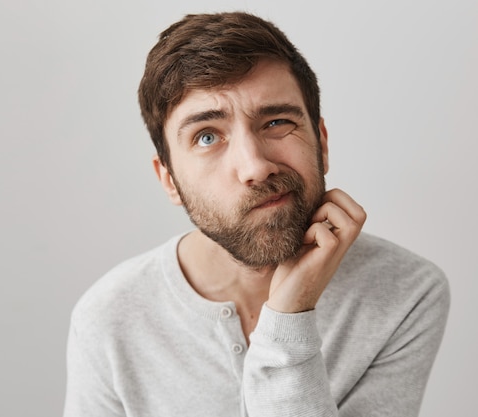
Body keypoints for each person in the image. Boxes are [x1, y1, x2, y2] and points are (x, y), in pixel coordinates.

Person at [63, 11, 450, 417]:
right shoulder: (109, 318)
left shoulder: (405, 292)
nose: (256, 166)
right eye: (207, 136)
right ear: (170, 180)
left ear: (321, 142)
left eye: (277, 121)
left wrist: (288, 320)